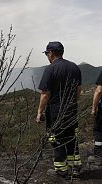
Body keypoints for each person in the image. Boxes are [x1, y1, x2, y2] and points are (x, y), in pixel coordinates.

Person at [36, 41, 82, 177]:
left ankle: (62, 170)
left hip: (55, 111)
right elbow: (78, 90)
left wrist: (39, 112)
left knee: (56, 138)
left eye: (46, 53)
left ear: (51, 53)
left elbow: (45, 93)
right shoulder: (74, 67)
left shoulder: (50, 69)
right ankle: (75, 168)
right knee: (71, 137)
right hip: (71, 110)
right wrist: (73, 103)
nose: (47, 56)